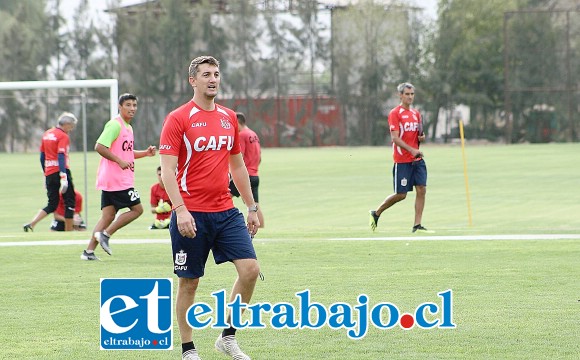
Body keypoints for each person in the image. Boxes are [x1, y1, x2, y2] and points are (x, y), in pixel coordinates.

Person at [159, 55, 260, 360]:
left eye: (216, 74)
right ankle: (188, 349)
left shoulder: (229, 117)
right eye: (206, 74)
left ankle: (227, 338)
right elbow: (166, 169)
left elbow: (238, 167)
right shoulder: (178, 118)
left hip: (225, 211)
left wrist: (252, 207)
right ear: (193, 80)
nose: (213, 79)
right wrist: (180, 209)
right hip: (191, 213)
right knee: (190, 282)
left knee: (250, 270)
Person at [80, 93, 156, 261]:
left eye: (134, 105)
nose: (132, 108)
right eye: (128, 105)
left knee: (107, 216)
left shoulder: (128, 127)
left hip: (112, 180)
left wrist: (145, 153)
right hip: (118, 180)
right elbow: (99, 146)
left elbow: (126, 153)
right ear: (120, 107)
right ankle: (106, 235)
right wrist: (119, 161)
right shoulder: (115, 125)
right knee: (137, 210)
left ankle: (88, 252)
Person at [369, 82, 431, 233]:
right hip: (403, 160)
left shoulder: (416, 114)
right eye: (407, 94)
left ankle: (417, 225)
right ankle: (376, 213)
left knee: (421, 189)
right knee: (401, 195)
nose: (410, 97)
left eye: (412, 94)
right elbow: (395, 138)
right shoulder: (394, 113)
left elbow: (417, 136)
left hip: (417, 159)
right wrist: (412, 149)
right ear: (400, 95)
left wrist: (421, 138)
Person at [24, 112, 78, 232]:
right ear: (67, 124)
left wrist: (45, 173)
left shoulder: (47, 134)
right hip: (61, 170)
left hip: (49, 171)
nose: (71, 129)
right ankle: (69, 232)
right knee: (70, 201)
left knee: (52, 203)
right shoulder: (63, 136)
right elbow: (61, 155)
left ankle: (32, 223)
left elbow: (42, 156)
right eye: (71, 126)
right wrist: (63, 176)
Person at [228, 112, 264, 227]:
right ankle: (262, 229)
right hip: (255, 175)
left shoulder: (242, 135)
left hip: (245, 175)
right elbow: (259, 156)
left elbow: (239, 156)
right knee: (255, 204)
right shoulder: (253, 134)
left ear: (238, 122)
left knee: (222, 198)